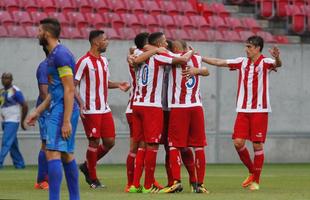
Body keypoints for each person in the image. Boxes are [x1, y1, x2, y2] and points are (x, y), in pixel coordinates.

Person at [202, 36, 282, 191]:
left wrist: (277, 57)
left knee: (257, 145)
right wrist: (201, 58)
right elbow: (220, 62)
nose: (246, 49)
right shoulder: (241, 62)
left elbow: (278, 64)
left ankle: (256, 181)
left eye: (249, 47)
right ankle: (252, 171)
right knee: (238, 142)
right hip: (243, 110)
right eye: (246, 46)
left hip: (259, 110)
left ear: (258, 48)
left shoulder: (265, 62)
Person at [129, 32, 193, 193]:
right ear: (158, 44)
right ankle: (148, 186)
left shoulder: (139, 53)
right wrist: (192, 51)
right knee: (153, 145)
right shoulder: (159, 57)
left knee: (142, 145)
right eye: (164, 42)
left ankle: (135, 185)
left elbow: (133, 54)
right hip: (152, 106)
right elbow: (183, 59)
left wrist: (152, 49)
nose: (166, 45)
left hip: (136, 104)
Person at [26, 18, 80, 200]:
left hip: (62, 110)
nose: (37, 33)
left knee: (52, 151)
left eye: (39, 30)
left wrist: (65, 121)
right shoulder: (52, 56)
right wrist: (38, 111)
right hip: (57, 107)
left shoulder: (61, 55)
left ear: (47, 34)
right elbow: (54, 92)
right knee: (65, 155)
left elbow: (69, 88)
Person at [75, 30, 130, 189]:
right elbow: (73, 84)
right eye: (105, 39)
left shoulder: (104, 61)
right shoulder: (84, 61)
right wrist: (80, 103)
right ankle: (93, 179)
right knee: (94, 141)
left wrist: (118, 84)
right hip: (90, 108)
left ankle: (86, 165)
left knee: (109, 142)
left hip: (104, 108)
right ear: (96, 42)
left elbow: (104, 82)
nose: (107, 42)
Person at [162, 40, 210, 193]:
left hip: (179, 107)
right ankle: (200, 185)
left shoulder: (173, 56)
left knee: (174, 145)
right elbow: (207, 71)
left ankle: (176, 181)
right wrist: (199, 70)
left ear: (176, 48)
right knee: (199, 146)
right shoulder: (197, 58)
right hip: (196, 107)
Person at [0, 72, 28, 169]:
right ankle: (20, 164)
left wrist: (22, 120)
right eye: (3, 78)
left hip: (13, 120)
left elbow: (25, 105)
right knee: (12, 144)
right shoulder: (1, 91)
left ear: (11, 80)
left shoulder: (16, 91)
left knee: (6, 141)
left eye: (7, 78)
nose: (4, 80)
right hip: (4, 121)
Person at [34, 46, 49, 190]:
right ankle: (41, 180)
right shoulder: (44, 67)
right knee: (46, 144)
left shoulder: (59, 67)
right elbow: (44, 93)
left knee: (52, 145)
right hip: (47, 110)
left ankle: (46, 177)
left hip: (57, 109)